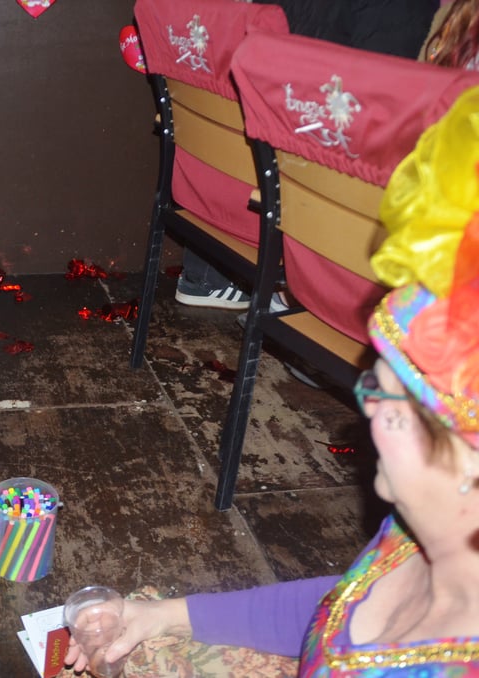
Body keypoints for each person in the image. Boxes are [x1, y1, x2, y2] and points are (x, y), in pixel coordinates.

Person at [66, 87, 479, 676]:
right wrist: (159, 617)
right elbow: (341, 604)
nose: (365, 413)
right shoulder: (423, 532)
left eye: (391, 405)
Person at [175, 0, 440, 311]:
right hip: (296, 203)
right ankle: (299, 295)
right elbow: (374, 111)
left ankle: (224, 275)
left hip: (223, 174)